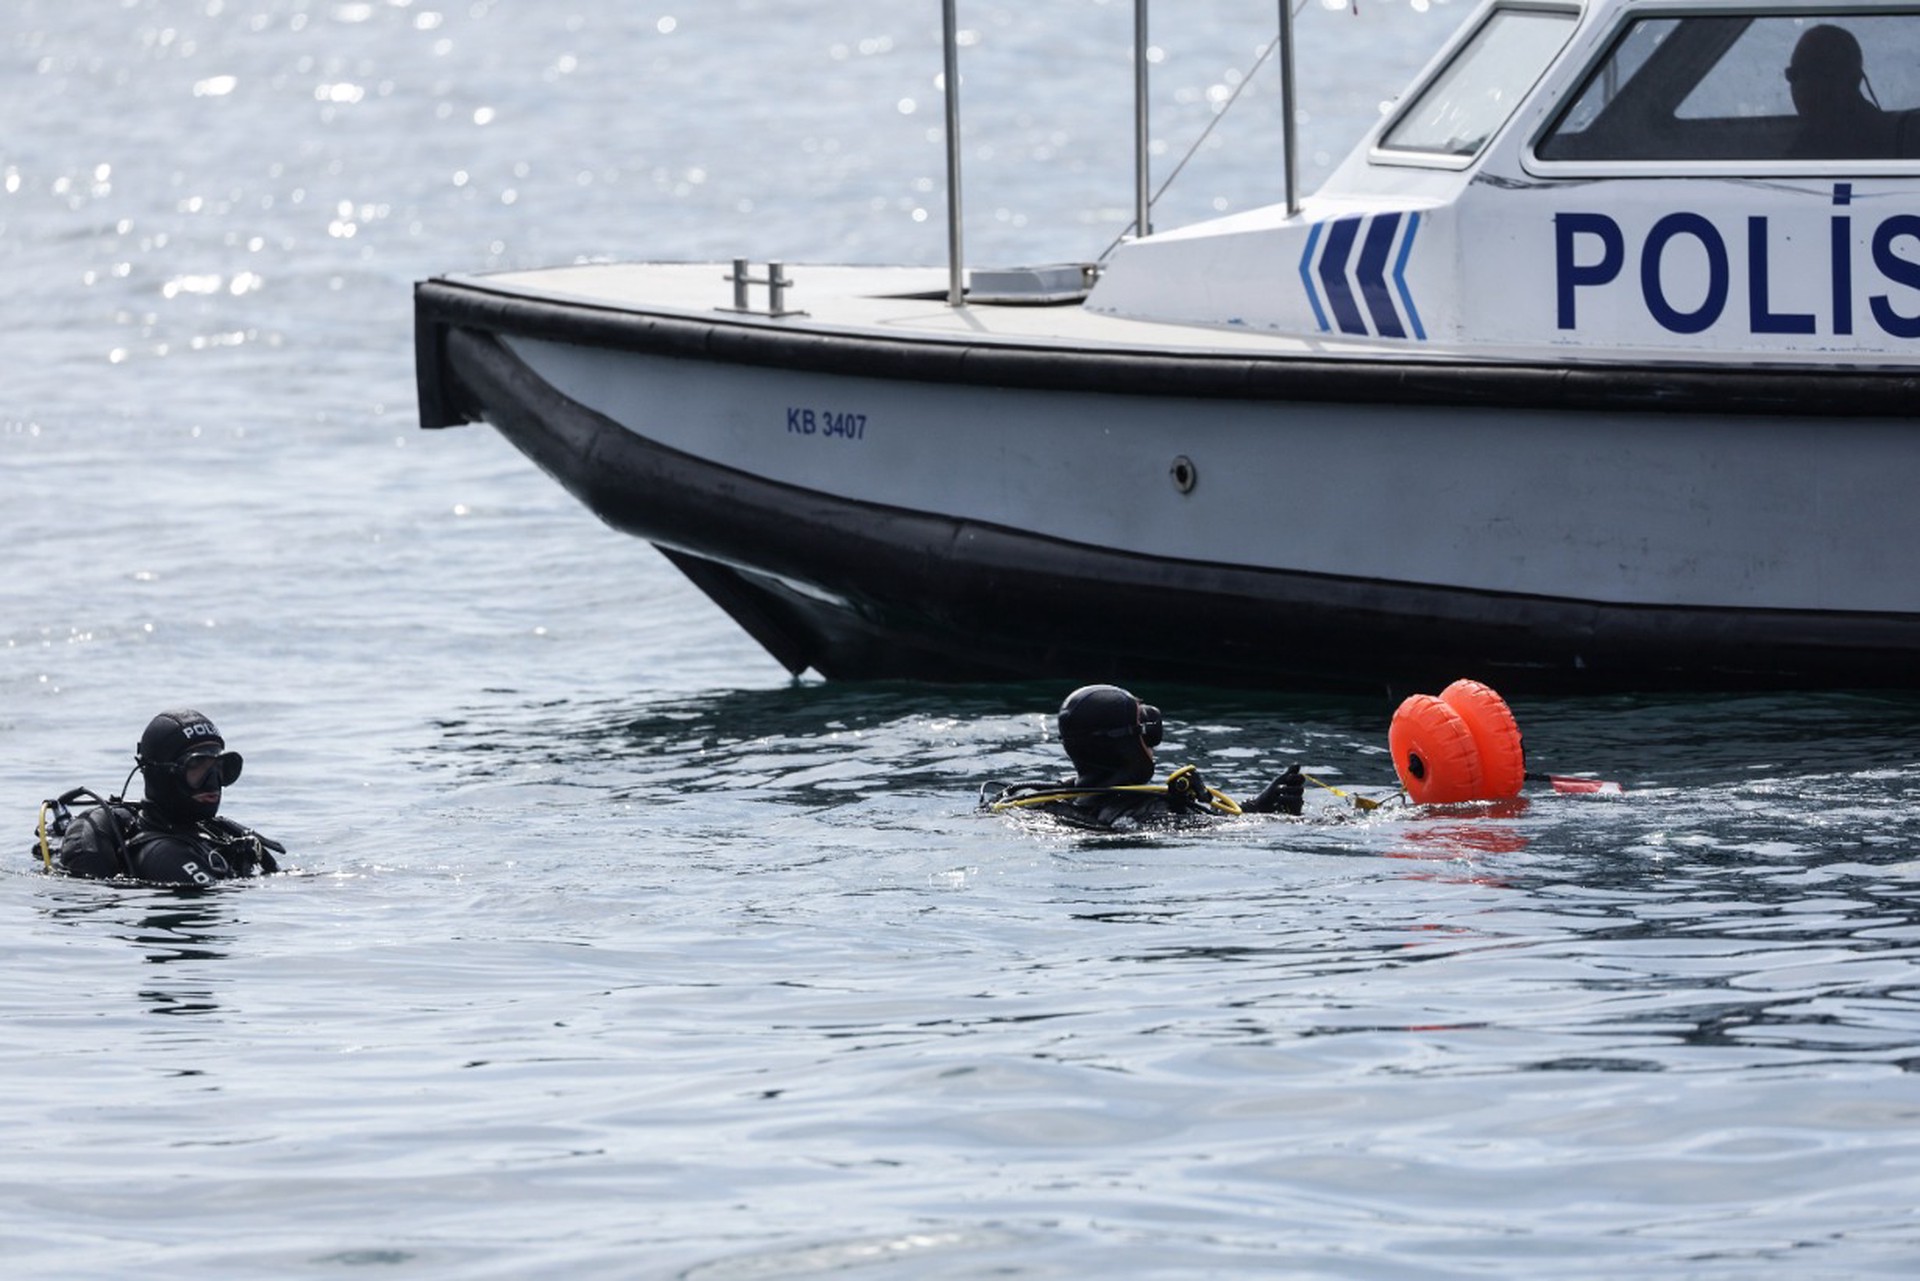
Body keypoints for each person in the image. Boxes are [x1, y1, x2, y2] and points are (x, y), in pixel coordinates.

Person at [981, 684, 1304, 831]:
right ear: (1124, 745)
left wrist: (1250, 807)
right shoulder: (1158, 812)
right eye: (1146, 732)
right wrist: (1272, 815)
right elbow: (1222, 834)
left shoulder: (1041, 801)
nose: (1152, 746)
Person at [49, 709, 283, 885]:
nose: (213, 782)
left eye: (220, 767)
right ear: (161, 773)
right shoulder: (164, 855)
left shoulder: (212, 832)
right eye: (197, 766)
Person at [1784, 24, 1896, 160]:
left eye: (1816, 74)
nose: (1799, 86)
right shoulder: (1812, 138)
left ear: (1850, 80)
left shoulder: (1884, 142)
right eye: (1792, 74)